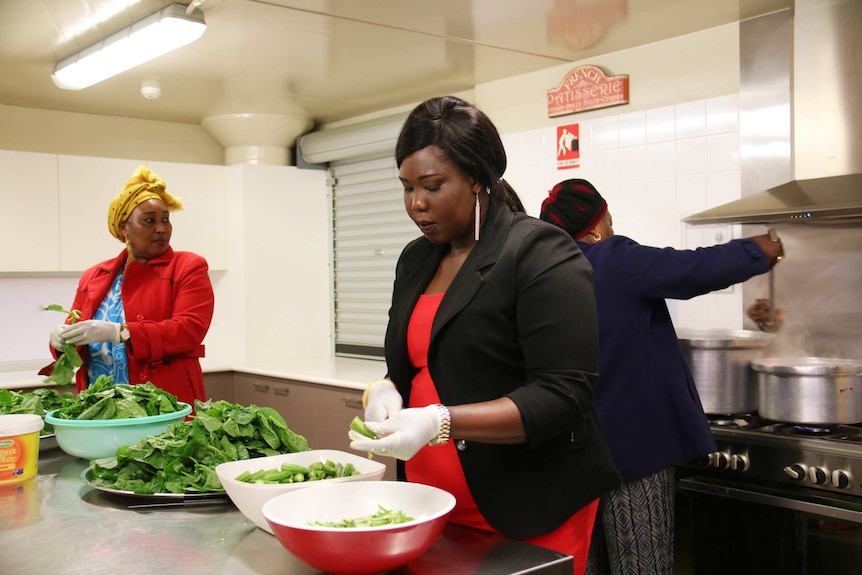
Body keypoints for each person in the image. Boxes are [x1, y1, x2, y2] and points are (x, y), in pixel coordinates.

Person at [348, 96, 621, 575]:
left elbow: (562, 395)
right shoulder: (415, 260)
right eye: (407, 187)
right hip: (428, 502)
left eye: (432, 186)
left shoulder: (537, 251)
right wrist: (384, 390)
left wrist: (438, 422)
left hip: (527, 505)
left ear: (476, 178)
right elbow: (411, 364)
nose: (416, 203)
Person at [539, 178, 785, 575]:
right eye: (611, 221)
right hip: (635, 451)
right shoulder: (612, 257)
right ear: (597, 228)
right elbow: (693, 268)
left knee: (589, 565)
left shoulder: (542, 273)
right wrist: (759, 251)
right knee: (643, 567)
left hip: (573, 455)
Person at [43, 165, 215, 408]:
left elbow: (188, 330)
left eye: (165, 219)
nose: (161, 228)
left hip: (163, 403)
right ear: (124, 227)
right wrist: (60, 340)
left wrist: (119, 332)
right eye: (149, 220)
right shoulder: (95, 276)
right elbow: (78, 330)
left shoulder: (188, 267)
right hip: (100, 405)